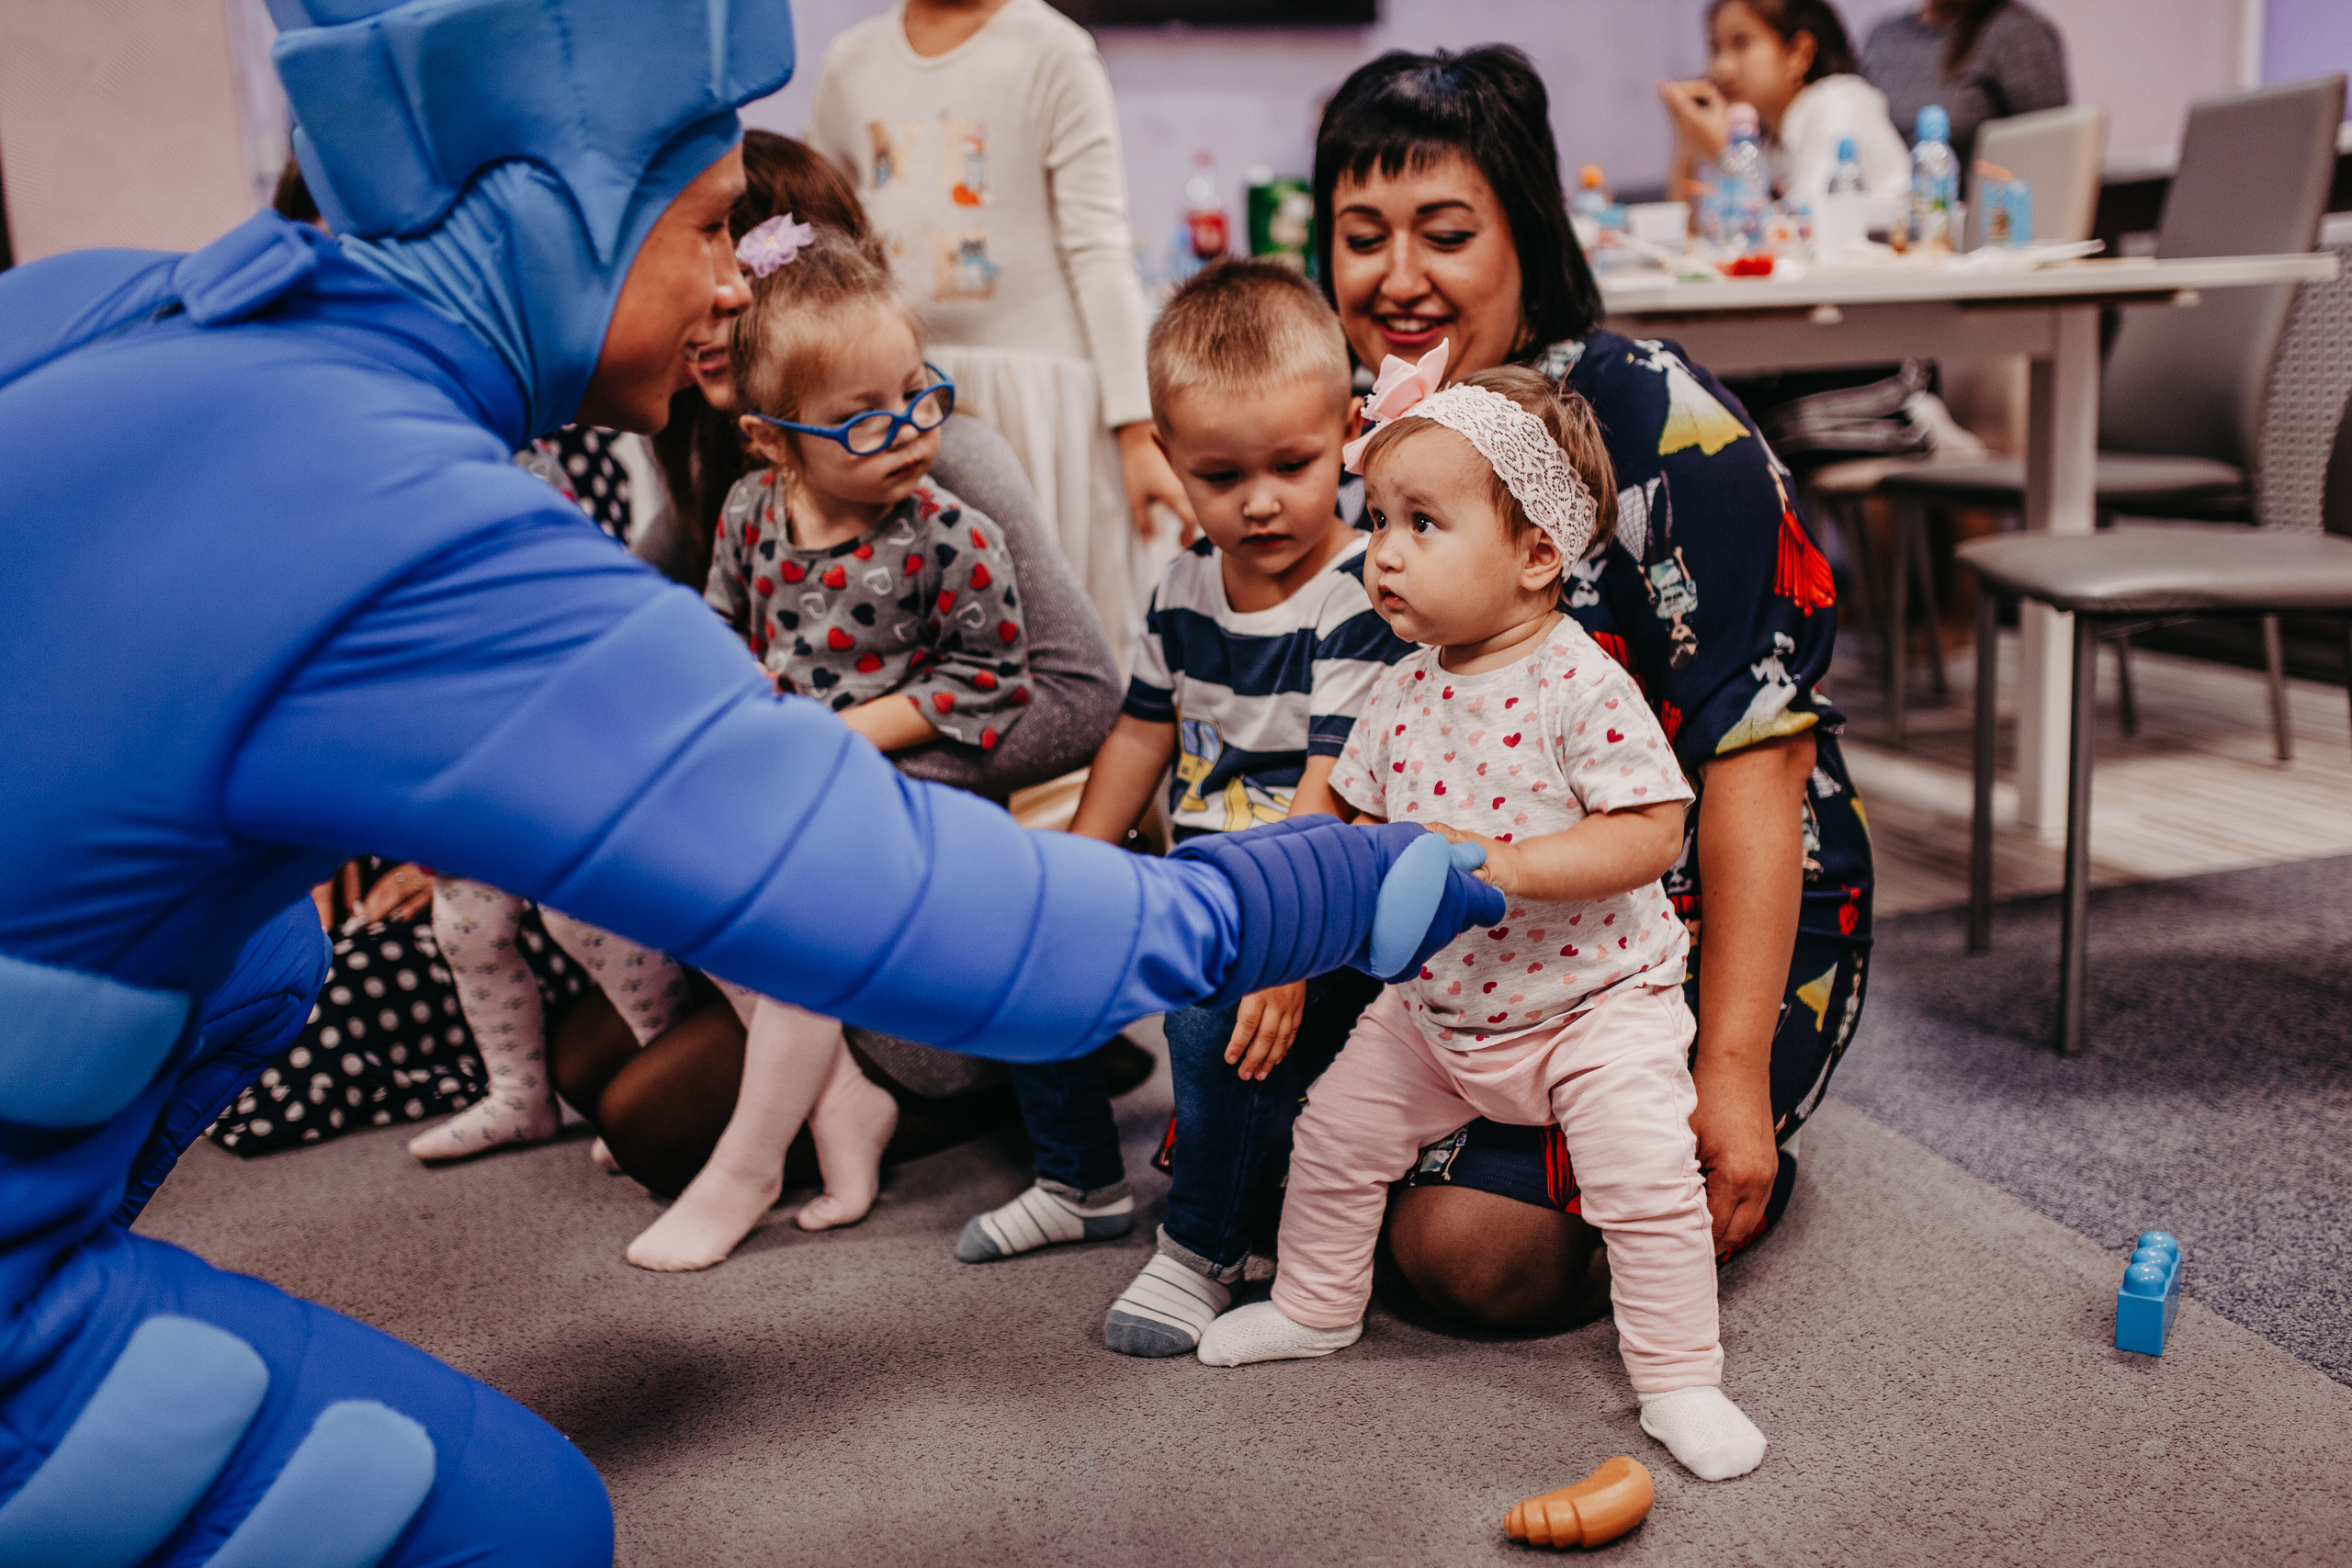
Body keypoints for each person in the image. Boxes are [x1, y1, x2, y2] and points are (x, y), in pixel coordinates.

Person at [0, 2, 1501, 1559]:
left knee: (264, 952)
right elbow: (955, 925)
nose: (736, 284)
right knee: (513, 1525)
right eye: (713, 225)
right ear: (560, 209)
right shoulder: (404, 523)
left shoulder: (110, 312)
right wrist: (1345, 879)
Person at [1304, 45, 1875, 1332]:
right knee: (1269, 1116)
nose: (1398, 277)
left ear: (1527, 233)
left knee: (1468, 1255)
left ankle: (1708, 1145)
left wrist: (1725, 1073)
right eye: (1361, 235)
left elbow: (1758, 754)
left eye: (1445, 232)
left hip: (1667, 905)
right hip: (1470, 902)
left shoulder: (1651, 414)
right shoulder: (1372, 431)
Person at [1196, 360, 1768, 1484]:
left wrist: (1503, 869)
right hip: (1442, 1012)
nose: (1381, 553)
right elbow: (1338, 819)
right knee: (1335, 1133)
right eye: (1376, 522)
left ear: (1535, 556)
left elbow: (1653, 829)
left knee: (1643, 1179)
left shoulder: (1578, 682)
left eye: (1421, 523)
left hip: (1594, 1003)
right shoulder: (1400, 691)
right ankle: (1314, 1305)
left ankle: (1677, 1377)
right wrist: (1270, 917)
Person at [952, 261, 1411, 1329]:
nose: (1259, 502)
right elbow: (1138, 735)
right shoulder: (1181, 587)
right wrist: (1069, 868)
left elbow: (1334, 787)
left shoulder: (1360, 592)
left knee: (1212, 1014)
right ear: (1167, 462)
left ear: (1348, 434)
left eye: (1294, 465)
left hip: (1318, 900)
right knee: (1034, 946)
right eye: (1220, 475)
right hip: (1202, 887)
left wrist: (1292, 941)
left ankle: (1205, 1244)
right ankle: (1081, 1180)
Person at [628, 221, 1032, 1269]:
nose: (904, 430)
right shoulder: (749, 512)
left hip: (896, 803)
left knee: (793, 919)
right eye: (860, 419)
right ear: (772, 438)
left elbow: (995, 680)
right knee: (652, 872)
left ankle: (749, 1166)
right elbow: (720, 622)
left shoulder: (952, 534)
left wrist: (844, 735)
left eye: (916, 393)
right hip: (781, 782)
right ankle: (842, 1100)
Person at [808, 0, 1197, 661]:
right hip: (905, 397)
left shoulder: (1054, 51)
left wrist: (1136, 430)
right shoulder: (851, 64)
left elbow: (1099, 248)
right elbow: (829, 244)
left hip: (1041, 400)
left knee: (1052, 626)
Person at [1662, 0, 1911, 229]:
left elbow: (1804, 238)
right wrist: (1686, 144)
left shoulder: (1840, 106)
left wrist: (1725, 157)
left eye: (1742, 43)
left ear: (1799, 54)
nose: (1722, 68)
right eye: (1715, 47)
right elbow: (1699, 243)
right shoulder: (1769, 137)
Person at [1861, 0, 2069, 168]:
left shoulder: (2016, 32)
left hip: (1975, 209)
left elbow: (2050, 150)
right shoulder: (1884, 35)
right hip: (1883, 209)